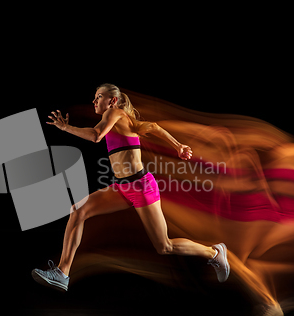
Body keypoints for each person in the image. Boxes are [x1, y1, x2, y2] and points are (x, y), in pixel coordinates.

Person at [32, 83, 230, 292]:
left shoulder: (113, 113)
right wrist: (178, 146)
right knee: (78, 210)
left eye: (99, 97)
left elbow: (95, 136)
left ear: (113, 101)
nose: (94, 101)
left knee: (164, 246)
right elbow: (153, 127)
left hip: (142, 186)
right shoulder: (123, 120)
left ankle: (214, 253)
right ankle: (63, 273)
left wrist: (66, 128)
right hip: (122, 187)